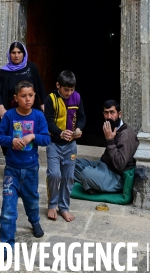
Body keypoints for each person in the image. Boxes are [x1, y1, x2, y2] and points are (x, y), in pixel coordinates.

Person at [0, 80, 50, 265]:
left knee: (32, 200)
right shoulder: (9, 116)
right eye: (23, 96)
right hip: (12, 170)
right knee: (8, 211)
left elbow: (46, 138)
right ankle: (6, 249)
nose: (28, 99)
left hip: (31, 169)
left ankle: (34, 221)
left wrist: (33, 136)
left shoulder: (38, 117)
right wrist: (11, 141)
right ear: (16, 98)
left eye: (31, 95)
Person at [44, 70, 86, 222]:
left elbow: (82, 117)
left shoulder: (77, 97)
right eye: (66, 89)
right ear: (58, 86)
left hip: (71, 146)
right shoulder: (51, 99)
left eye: (72, 89)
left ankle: (64, 207)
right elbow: (47, 122)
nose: (69, 93)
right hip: (54, 143)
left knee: (68, 177)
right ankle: (52, 204)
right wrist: (60, 133)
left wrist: (79, 129)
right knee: (54, 174)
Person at [74, 100, 138, 193]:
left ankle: (92, 184)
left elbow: (120, 165)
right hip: (103, 166)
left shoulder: (126, 135)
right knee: (71, 164)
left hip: (115, 177)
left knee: (86, 174)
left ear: (119, 114)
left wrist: (110, 140)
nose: (109, 117)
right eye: (106, 113)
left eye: (112, 112)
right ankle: (92, 184)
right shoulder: (112, 127)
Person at [0, 40, 47, 121]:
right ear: (9, 54)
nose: (16, 55)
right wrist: (1, 108)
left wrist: (43, 103)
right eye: (13, 52)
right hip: (11, 113)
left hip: (31, 110)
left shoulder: (32, 67)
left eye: (19, 52)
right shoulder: (4, 72)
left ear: (24, 54)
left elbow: (40, 86)